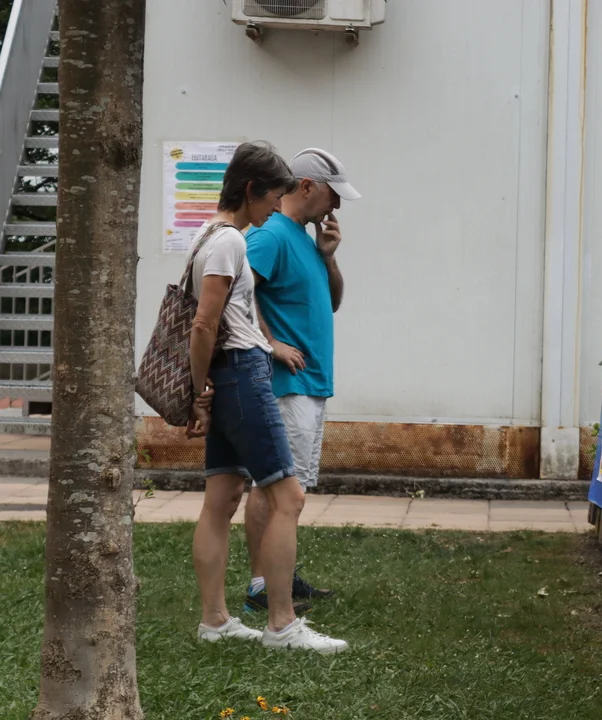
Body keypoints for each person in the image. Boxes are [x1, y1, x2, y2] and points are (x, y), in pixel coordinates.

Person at [186, 141, 348, 654]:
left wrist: (202, 386)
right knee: (288, 497)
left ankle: (215, 620)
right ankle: (282, 624)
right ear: (252, 189)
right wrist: (198, 389)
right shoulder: (233, 240)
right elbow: (204, 323)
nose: (276, 207)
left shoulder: (209, 235)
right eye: (273, 196)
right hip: (243, 375)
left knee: (221, 499)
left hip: (227, 375)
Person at [240, 147, 359, 614]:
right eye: (333, 194)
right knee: (273, 485)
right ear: (307, 186)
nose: (337, 205)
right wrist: (271, 343)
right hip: (286, 384)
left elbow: (333, 302)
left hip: (309, 382)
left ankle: (279, 575)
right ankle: (261, 586)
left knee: (289, 487)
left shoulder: (305, 239)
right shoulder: (270, 234)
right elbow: (236, 292)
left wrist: (328, 258)